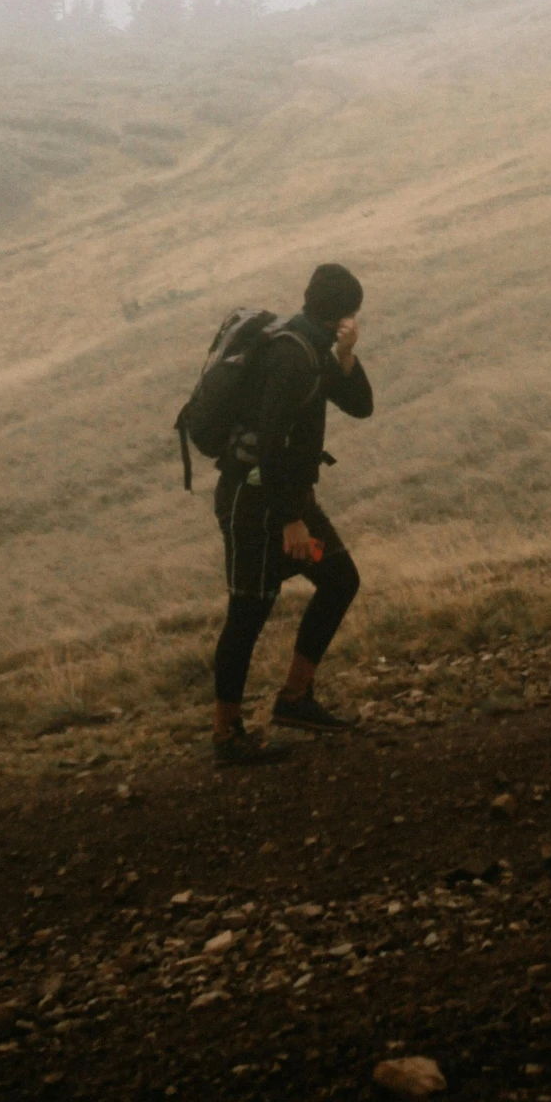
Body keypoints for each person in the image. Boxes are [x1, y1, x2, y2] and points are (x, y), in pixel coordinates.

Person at [211, 262, 372, 764]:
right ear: (343, 313)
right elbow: (271, 442)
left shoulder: (313, 348)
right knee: (248, 610)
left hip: (286, 498)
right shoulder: (293, 358)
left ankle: (296, 700)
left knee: (340, 579)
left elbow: (361, 405)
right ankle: (226, 734)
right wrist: (290, 522)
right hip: (256, 503)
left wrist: (346, 355)